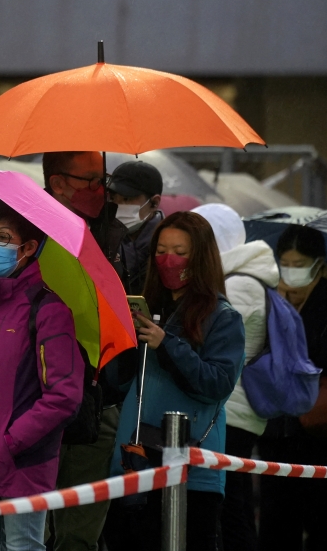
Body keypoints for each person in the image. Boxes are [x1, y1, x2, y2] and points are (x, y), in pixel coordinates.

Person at [109, 212, 245, 551]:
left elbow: (217, 384)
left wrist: (166, 344)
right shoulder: (148, 308)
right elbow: (119, 383)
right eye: (161, 250)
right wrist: (120, 339)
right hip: (132, 459)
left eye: (180, 251)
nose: (168, 260)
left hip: (192, 467)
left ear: (201, 256)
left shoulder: (223, 318)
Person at [0, 201, 83, 551]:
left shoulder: (49, 310)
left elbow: (64, 396)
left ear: (28, 248)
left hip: (22, 464)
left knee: (23, 547)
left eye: (3, 238)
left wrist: (10, 443)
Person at [43, 151, 125, 551]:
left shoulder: (114, 235)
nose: (100, 191)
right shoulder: (25, 230)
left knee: (79, 536)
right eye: (90, 181)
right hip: (32, 400)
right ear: (58, 183)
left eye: (103, 180)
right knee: (26, 533)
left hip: (97, 399)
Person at [190, 203, 278, 551]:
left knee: (230, 507)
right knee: (231, 503)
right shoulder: (241, 277)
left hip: (235, 409)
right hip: (238, 407)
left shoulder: (239, 284)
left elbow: (210, 341)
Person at [257, 224, 327, 551]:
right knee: (277, 523)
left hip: (322, 431)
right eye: (285, 264)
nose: (290, 272)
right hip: (278, 431)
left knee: (326, 523)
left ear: (318, 264)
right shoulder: (270, 301)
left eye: (298, 264)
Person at [109, 161, 164, 295]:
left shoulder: (165, 244)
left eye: (127, 199)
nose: (118, 205)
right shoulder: (106, 239)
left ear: (154, 203)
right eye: (112, 198)